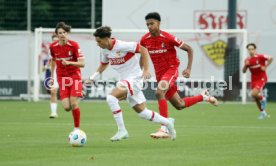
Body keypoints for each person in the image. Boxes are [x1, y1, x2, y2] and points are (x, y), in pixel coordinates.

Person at [86, 26, 176, 141]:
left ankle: (122, 130)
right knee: (143, 113)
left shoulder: (122, 45)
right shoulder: (104, 50)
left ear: (107, 39)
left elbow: (143, 49)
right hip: (125, 80)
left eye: (99, 41)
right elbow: (104, 64)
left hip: (134, 79)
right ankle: (168, 122)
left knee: (111, 98)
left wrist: (146, 70)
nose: (97, 44)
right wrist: (93, 77)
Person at [140, 12, 218, 139]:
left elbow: (189, 49)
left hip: (171, 70)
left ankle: (164, 128)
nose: (149, 26)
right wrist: (142, 70)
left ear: (159, 23)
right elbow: (142, 54)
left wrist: (188, 68)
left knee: (159, 92)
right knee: (179, 105)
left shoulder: (168, 37)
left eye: (152, 23)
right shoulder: (144, 39)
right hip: (159, 74)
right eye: (147, 24)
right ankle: (204, 96)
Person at [49, 22, 85, 131]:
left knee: (73, 103)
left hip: (74, 75)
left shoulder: (74, 45)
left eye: (64, 32)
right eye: (60, 33)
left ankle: (76, 129)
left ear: (67, 33)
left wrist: (69, 63)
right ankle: (80, 94)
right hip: (62, 77)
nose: (62, 34)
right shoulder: (52, 47)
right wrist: (52, 76)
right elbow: (53, 61)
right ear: (57, 35)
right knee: (66, 107)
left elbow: (82, 64)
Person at [242, 43, 273, 119]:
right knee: (255, 97)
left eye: (252, 49)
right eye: (249, 49)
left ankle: (263, 99)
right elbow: (243, 71)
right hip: (254, 79)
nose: (251, 51)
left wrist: (265, 66)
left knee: (253, 94)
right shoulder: (247, 60)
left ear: (255, 49)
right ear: (247, 50)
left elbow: (271, 58)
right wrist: (245, 65)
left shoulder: (260, 57)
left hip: (261, 78)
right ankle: (263, 112)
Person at [43, 34, 59, 118]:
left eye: (57, 40)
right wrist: (46, 66)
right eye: (54, 40)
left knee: (68, 101)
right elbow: (50, 59)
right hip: (55, 72)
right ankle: (53, 112)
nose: (55, 42)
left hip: (66, 73)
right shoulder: (51, 50)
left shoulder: (66, 47)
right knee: (53, 91)